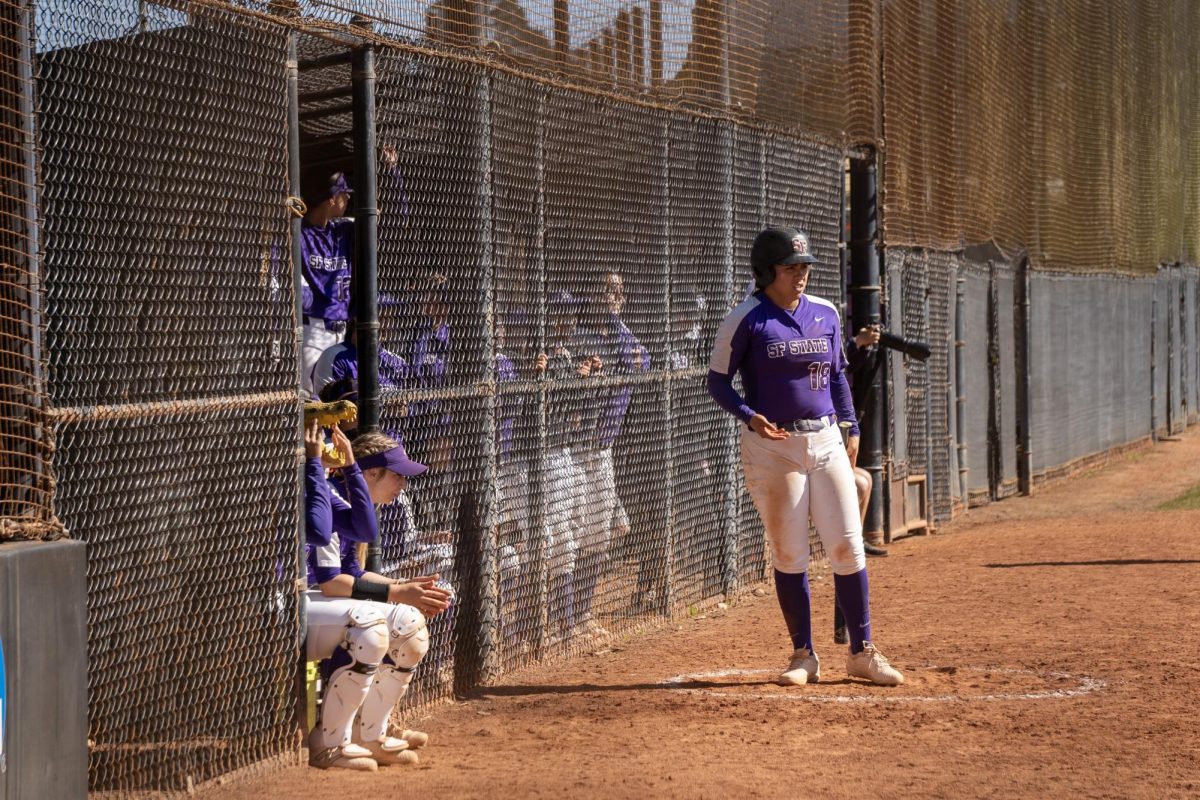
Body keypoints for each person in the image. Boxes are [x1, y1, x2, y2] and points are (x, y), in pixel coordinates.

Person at [706, 225, 903, 687]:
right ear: (767, 271)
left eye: (804, 266)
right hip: (773, 448)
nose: (801, 274)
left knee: (847, 544)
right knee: (790, 551)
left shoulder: (826, 313)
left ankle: (861, 652)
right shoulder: (748, 319)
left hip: (825, 439)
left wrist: (850, 424)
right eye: (790, 267)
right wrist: (750, 415)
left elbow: (836, 375)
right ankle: (804, 655)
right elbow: (717, 381)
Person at [304, 423, 452, 768]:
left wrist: (404, 591)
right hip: (300, 602)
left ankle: (369, 732)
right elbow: (330, 582)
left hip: (321, 603)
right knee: (369, 623)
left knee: (410, 623)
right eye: (396, 476)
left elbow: (352, 575)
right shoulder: (330, 493)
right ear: (370, 472)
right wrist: (395, 591)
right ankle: (330, 740)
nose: (402, 485)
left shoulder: (351, 498)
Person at [571, 273, 648, 637]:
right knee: (574, 533)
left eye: (619, 290)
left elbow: (640, 361)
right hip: (574, 448)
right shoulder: (580, 333)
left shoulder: (623, 336)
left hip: (602, 448)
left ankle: (582, 613)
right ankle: (566, 617)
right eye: (608, 289)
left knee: (601, 533)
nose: (615, 296)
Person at [299, 172, 356, 397]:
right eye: (344, 194)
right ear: (331, 199)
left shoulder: (343, 230)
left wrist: (393, 173)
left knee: (343, 401)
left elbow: (397, 221)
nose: (348, 199)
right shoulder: (299, 232)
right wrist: (316, 298)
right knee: (312, 399)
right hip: (313, 330)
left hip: (342, 332)